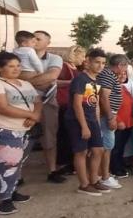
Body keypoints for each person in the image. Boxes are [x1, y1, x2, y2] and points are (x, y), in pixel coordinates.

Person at [0, 51, 40, 214]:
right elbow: (1, 107)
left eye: (18, 65)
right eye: (11, 66)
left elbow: (37, 101)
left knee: (17, 164)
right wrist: (30, 115)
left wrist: (34, 117)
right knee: (7, 164)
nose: (16, 69)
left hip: (25, 130)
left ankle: (12, 191)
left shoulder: (25, 84)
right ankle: (3, 200)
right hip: (3, 130)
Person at [20, 31, 64, 184]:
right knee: (20, 138)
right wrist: (41, 81)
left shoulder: (55, 58)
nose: (34, 41)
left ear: (48, 43)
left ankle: (52, 170)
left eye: (38, 39)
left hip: (47, 104)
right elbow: (12, 75)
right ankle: (16, 174)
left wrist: (24, 81)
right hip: (21, 104)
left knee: (49, 137)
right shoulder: (18, 55)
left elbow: (52, 76)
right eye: (33, 38)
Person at [65, 48, 108, 196]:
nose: (100, 66)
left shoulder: (95, 80)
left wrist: (95, 123)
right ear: (87, 61)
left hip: (91, 120)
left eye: (103, 63)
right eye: (97, 62)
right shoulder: (80, 79)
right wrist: (84, 126)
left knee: (98, 150)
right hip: (77, 120)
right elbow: (77, 104)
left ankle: (94, 180)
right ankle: (84, 185)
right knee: (81, 151)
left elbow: (93, 102)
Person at [97, 54, 126, 190]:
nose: (125, 70)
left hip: (108, 115)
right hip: (106, 117)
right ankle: (105, 177)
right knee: (107, 147)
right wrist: (110, 117)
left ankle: (102, 174)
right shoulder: (108, 75)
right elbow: (103, 97)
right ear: (119, 65)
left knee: (106, 147)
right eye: (125, 66)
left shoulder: (109, 74)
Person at [56, 45, 85, 173]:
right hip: (65, 103)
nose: (83, 59)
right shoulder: (64, 67)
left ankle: (72, 162)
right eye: (82, 56)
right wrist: (70, 83)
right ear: (75, 55)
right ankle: (64, 162)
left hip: (74, 103)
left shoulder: (77, 69)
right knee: (65, 134)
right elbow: (54, 81)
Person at [111, 69, 133, 179]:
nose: (122, 76)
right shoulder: (111, 88)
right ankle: (115, 168)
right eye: (119, 73)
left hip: (128, 123)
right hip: (119, 123)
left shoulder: (124, 87)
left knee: (121, 147)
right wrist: (118, 120)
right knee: (115, 147)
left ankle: (119, 164)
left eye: (124, 74)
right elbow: (110, 106)